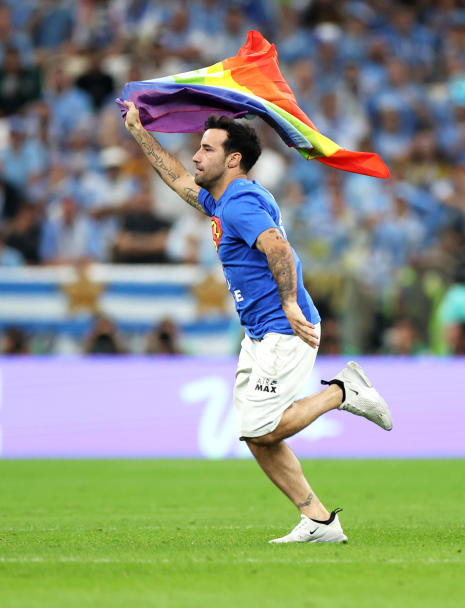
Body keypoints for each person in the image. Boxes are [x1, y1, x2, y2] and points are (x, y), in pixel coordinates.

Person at [121, 101, 393, 543]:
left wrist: (288, 304)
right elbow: (174, 179)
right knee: (256, 436)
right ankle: (319, 522)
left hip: (285, 329)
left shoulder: (240, 203)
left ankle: (343, 392)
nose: (195, 156)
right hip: (261, 331)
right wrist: (138, 130)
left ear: (233, 159)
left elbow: (280, 250)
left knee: (261, 428)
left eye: (206, 148)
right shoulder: (224, 198)